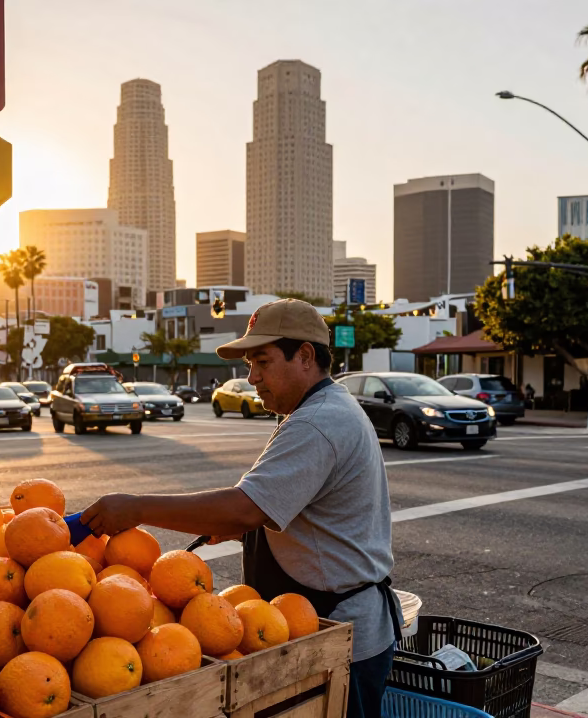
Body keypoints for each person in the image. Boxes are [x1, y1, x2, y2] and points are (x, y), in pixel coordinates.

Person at [82, 299, 400, 718]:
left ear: (305, 356)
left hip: (339, 635)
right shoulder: (324, 408)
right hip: (323, 625)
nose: (252, 378)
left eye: (262, 362)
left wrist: (136, 508)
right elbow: (277, 508)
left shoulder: (317, 421)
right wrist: (243, 526)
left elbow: (244, 507)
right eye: (250, 364)